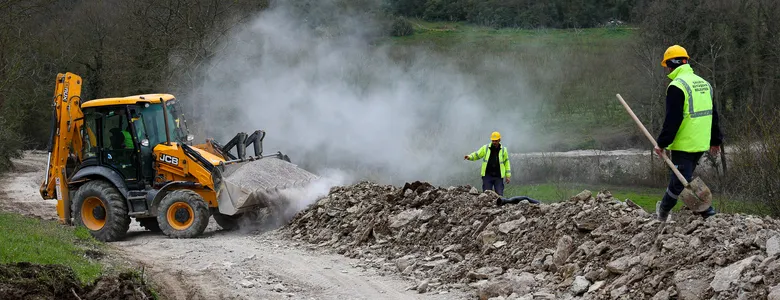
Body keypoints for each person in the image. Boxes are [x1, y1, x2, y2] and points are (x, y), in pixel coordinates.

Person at [654, 45, 723, 222]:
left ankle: (663, 211)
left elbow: (673, 119)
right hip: (700, 143)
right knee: (685, 177)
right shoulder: (704, 83)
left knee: (679, 181)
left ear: (670, 65)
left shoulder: (677, 86)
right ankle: (706, 212)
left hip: (685, 144)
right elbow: (713, 114)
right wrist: (716, 140)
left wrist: (661, 143)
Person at [464, 131, 511, 196]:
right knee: (486, 195)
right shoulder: (486, 148)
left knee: (499, 195)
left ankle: (498, 206)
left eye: (496, 141)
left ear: (499, 140)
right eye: (493, 141)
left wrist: (508, 176)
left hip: (498, 176)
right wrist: (470, 157)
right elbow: (477, 154)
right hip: (487, 175)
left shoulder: (503, 150)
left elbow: (506, 163)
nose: (494, 142)